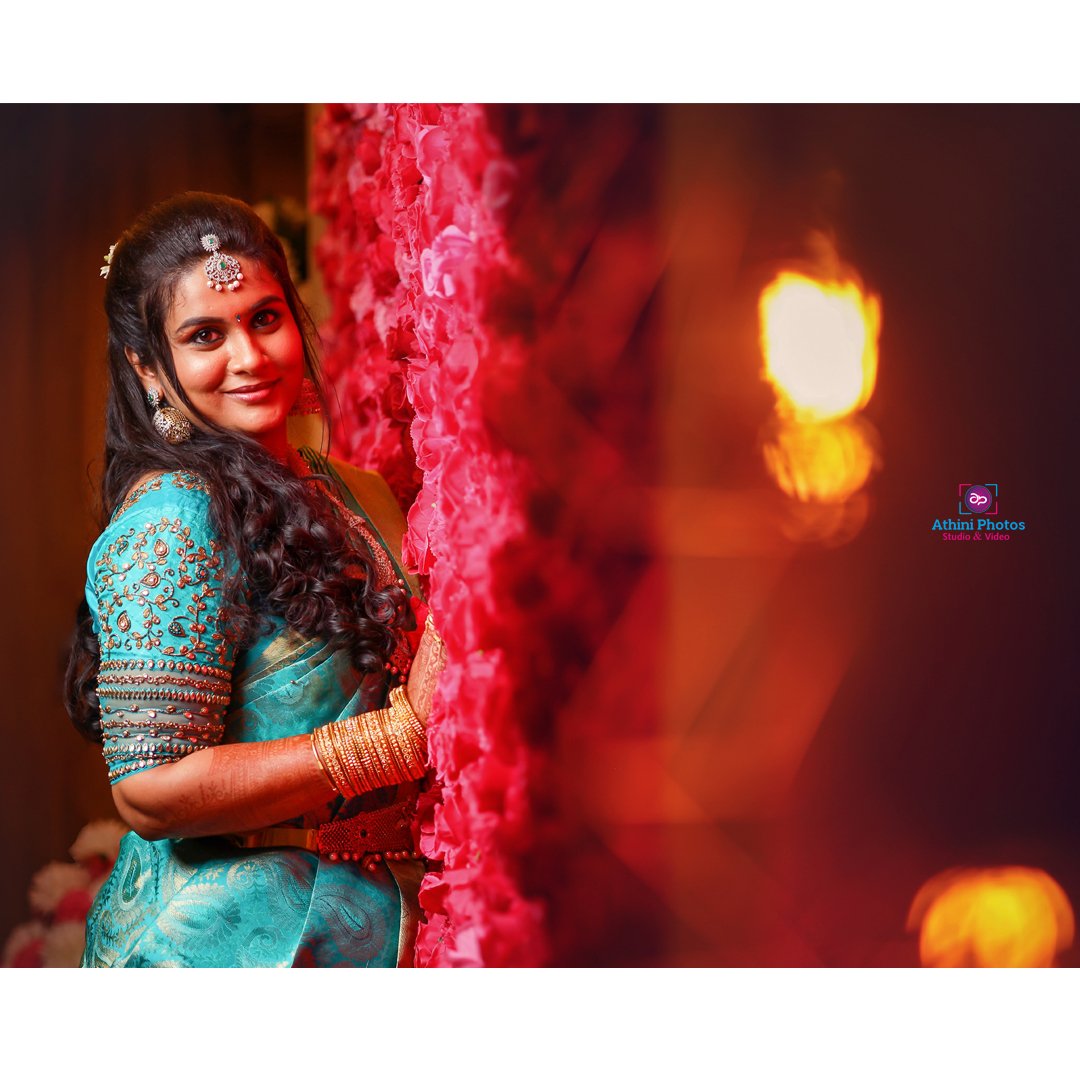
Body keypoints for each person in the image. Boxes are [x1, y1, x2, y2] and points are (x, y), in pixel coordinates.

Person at [65, 192, 445, 967]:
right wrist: (394, 741)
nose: (249, 357)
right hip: (231, 944)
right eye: (206, 335)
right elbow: (150, 789)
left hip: (381, 914)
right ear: (150, 366)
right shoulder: (174, 520)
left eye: (264, 319)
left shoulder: (358, 490)